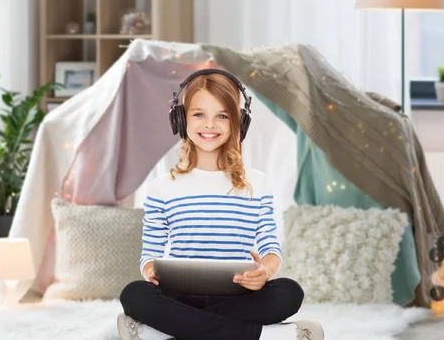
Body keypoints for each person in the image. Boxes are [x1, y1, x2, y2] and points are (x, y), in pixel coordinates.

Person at [117, 69, 324, 340]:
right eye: (199, 114)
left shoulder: (257, 183)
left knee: (288, 292)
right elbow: (149, 254)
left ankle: (163, 333)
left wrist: (265, 272)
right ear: (181, 119)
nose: (210, 125)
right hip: (181, 297)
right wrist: (149, 271)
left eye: (222, 116)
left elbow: (270, 247)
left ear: (238, 122)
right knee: (134, 294)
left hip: (239, 296)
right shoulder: (162, 187)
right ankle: (265, 336)